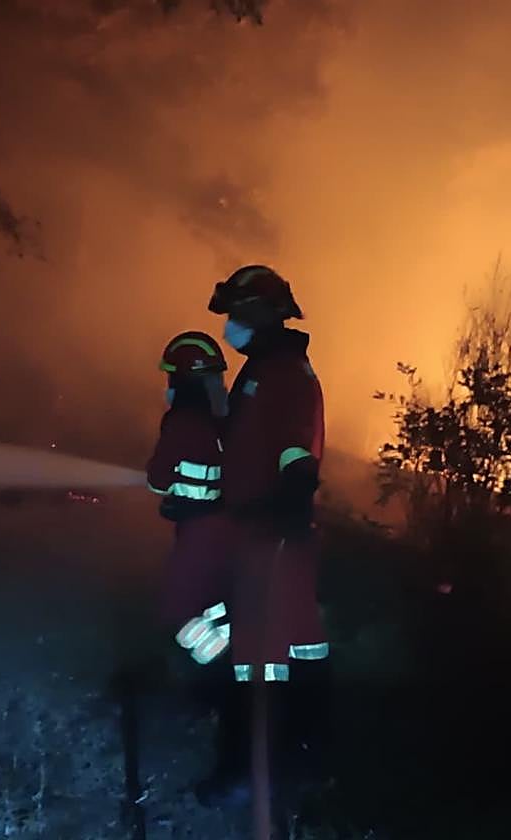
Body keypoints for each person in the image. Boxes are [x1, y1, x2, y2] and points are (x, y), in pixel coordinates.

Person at [194, 264, 331, 808]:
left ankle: (247, 774)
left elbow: (297, 449)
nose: (231, 325)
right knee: (263, 654)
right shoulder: (260, 371)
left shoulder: (287, 374)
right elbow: (243, 441)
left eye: (237, 314)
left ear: (264, 314)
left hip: (274, 533)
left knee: (262, 658)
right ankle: (285, 764)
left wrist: (288, 506)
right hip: (256, 531)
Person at [146, 331, 235, 667]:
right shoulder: (221, 423)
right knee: (208, 599)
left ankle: (215, 668)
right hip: (220, 525)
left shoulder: (180, 421)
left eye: (171, 377)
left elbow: (158, 479)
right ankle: (229, 657)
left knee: (178, 607)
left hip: (196, 529)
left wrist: (164, 489)